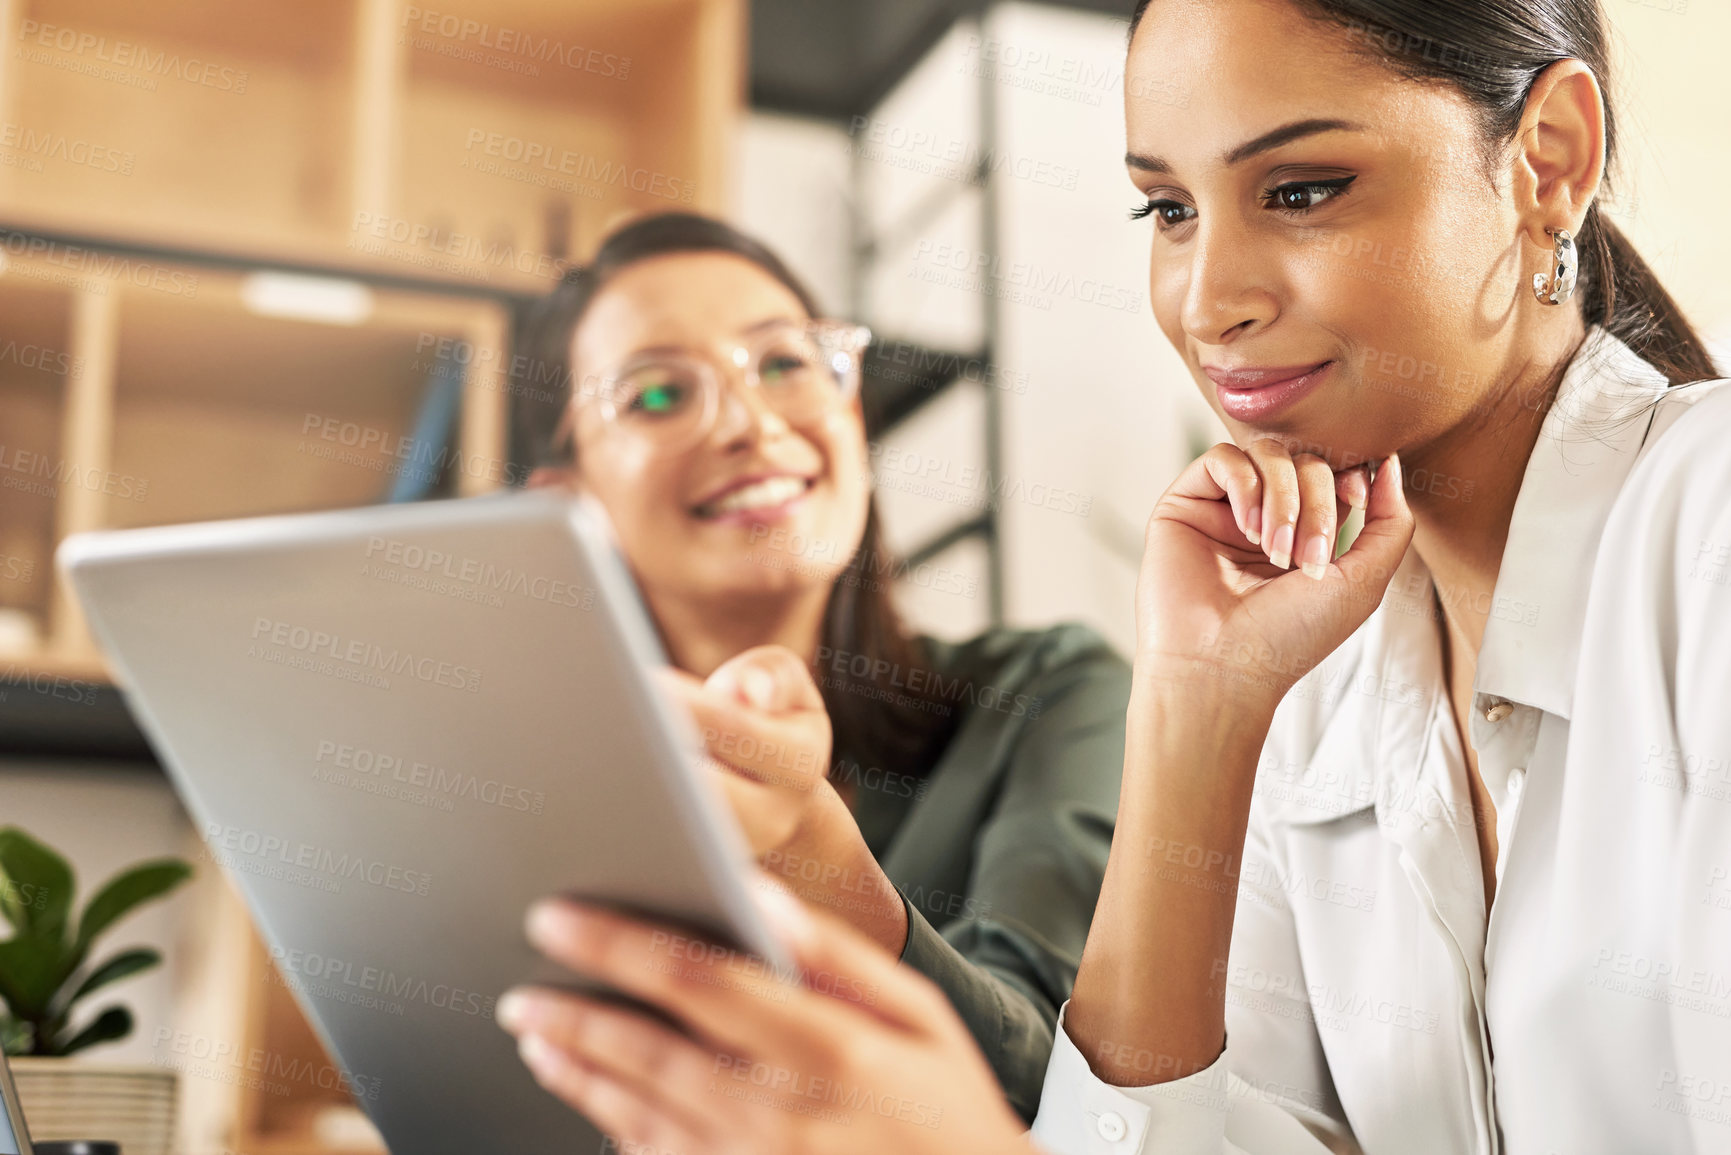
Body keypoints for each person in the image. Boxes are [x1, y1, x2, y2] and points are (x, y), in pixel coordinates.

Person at [492, 1, 1731, 1152]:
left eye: (1301, 189)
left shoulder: (1705, 525)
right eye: (1169, 211)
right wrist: (1197, 706)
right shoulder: (1320, 673)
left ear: (1548, 161)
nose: (1207, 300)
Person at [493, 212, 1131, 1123]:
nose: (751, 424)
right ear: (567, 499)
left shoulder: (1049, 694)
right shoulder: (518, 787)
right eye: (659, 396)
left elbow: (1059, 1096)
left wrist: (818, 864)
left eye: (786, 363)